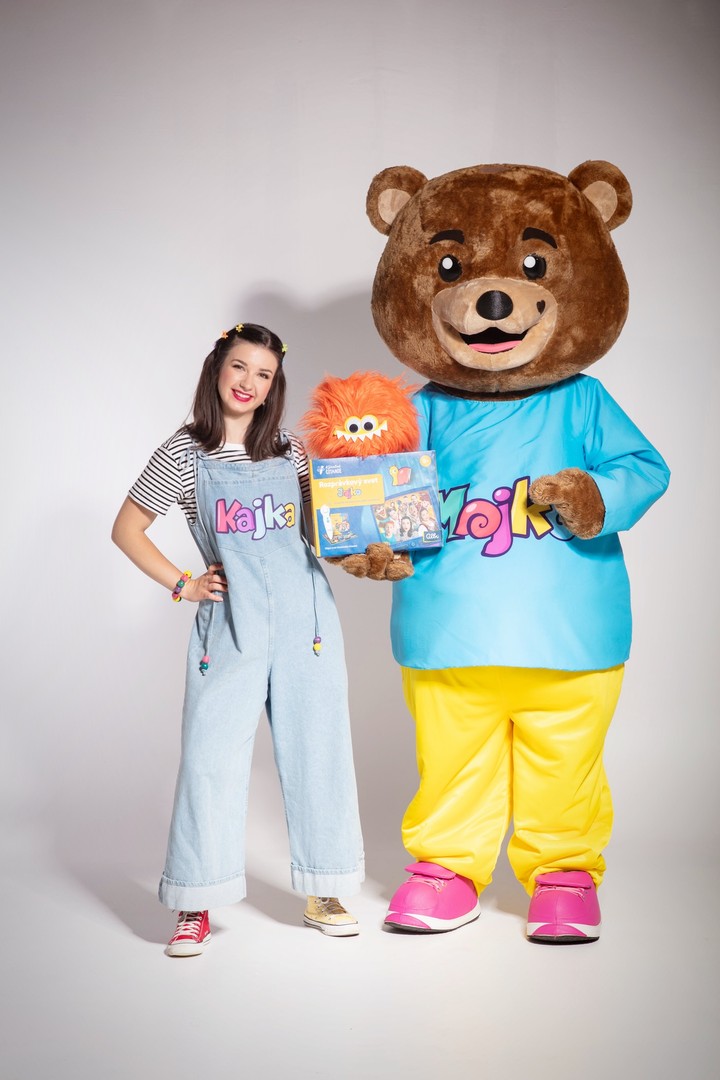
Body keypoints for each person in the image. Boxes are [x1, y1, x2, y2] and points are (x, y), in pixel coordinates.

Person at [112, 322, 365, 956]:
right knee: (210, 757)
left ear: (274, 385)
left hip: (307, 623)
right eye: (240, 367)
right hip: (229, 624)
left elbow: (321, 532)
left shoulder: (289, 450)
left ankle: (325, 888)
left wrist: (372, 513)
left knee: (318, 750)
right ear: (217, 369)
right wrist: (184, 584)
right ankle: (194, 900)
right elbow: (127, 528)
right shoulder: (183, 453)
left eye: (264, 374)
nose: (249, 382)